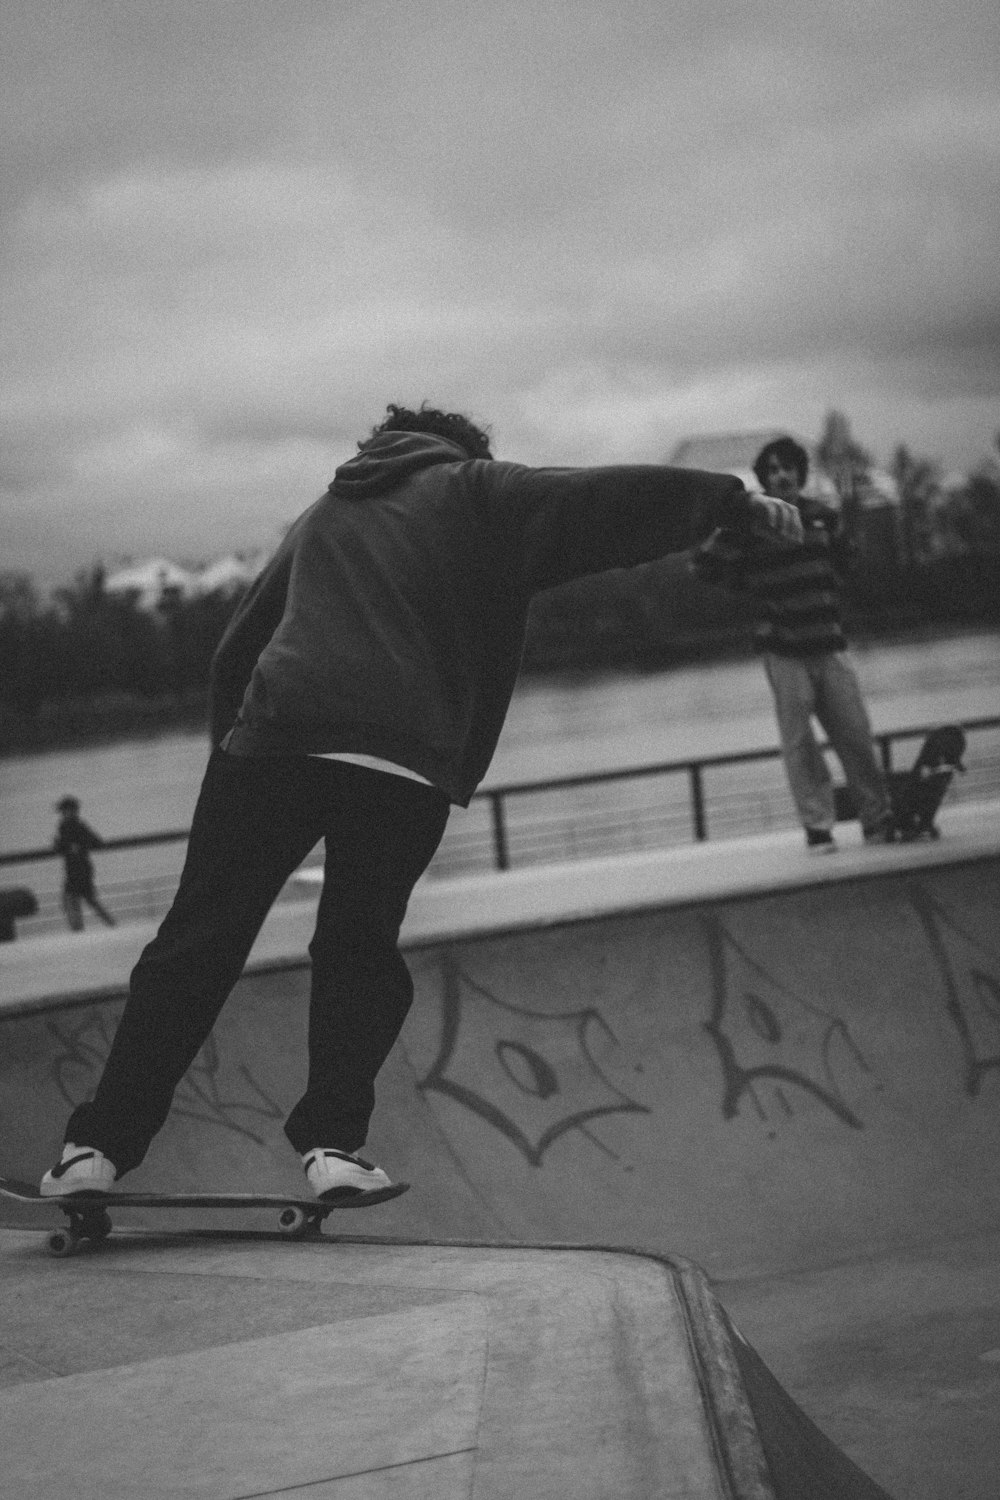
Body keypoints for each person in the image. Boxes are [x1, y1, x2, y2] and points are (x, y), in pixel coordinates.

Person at [41, 402, 802, 1201]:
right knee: (358, 949)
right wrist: (730, 502)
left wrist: (230, 763)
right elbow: (594, 503)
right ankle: (334, 1149)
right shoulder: (474, 488)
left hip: (273, 742)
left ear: (381, 448)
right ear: (464, 451)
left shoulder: (325, 511)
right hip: (400, 761)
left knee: (196, 945)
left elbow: (238, 647)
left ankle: (96, 1149)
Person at [691, 434, 892, 852]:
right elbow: (704, 566)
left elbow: (848, 558)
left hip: (829, 645)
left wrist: (824, 586)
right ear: (764, 479)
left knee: (855, 735)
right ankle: (818, 826)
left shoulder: (823, 517)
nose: (782, 475)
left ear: (800, 473)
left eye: (788, 468)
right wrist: (745, 579)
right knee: (800, 744)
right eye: (773, 470)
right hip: (784, 650)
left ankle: (877, 818)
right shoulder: (752, 523)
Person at [53, 796, 117, 931]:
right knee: (86, 899)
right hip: (80, 868)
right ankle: (111, 925)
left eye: (65, 811)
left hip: (78, 869)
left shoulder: (72, 827)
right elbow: (96, 842)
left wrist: (71, 846)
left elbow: (94, 841)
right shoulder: (75, 826)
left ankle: (80, 930)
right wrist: (72, 846)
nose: (63, 814)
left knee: (73, 899)